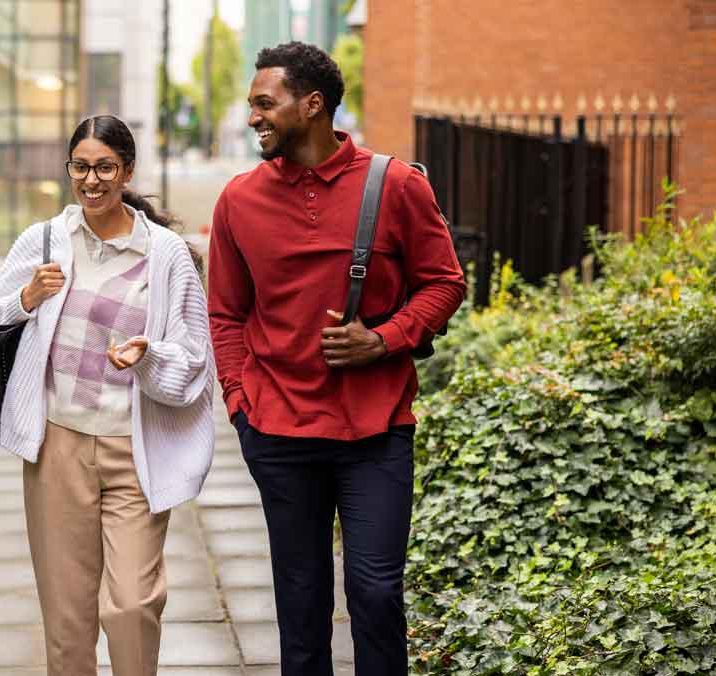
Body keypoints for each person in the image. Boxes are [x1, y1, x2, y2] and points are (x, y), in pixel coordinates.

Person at [207, 42, 466, 675]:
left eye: (265, 104)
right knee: (300, 605)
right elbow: (227, 315)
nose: (253, 118)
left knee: (376, 593)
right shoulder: (238, 201)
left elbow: (445, 282)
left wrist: (385, 338)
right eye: (251, 106)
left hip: (375, 429)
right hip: (276, 430)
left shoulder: (396, 185)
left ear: (312, 104)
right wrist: (240, 403)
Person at [0, 114, 214, 676]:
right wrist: (26, 296)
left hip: (133, 451)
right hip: (57, 449)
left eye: (105, 167)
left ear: (127, 171)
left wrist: (149, 357)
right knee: (67, 619)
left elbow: (194, 359)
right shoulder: (44, 241)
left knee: (134, 603)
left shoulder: (166, 255)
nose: (92, 180)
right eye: (81, 167)